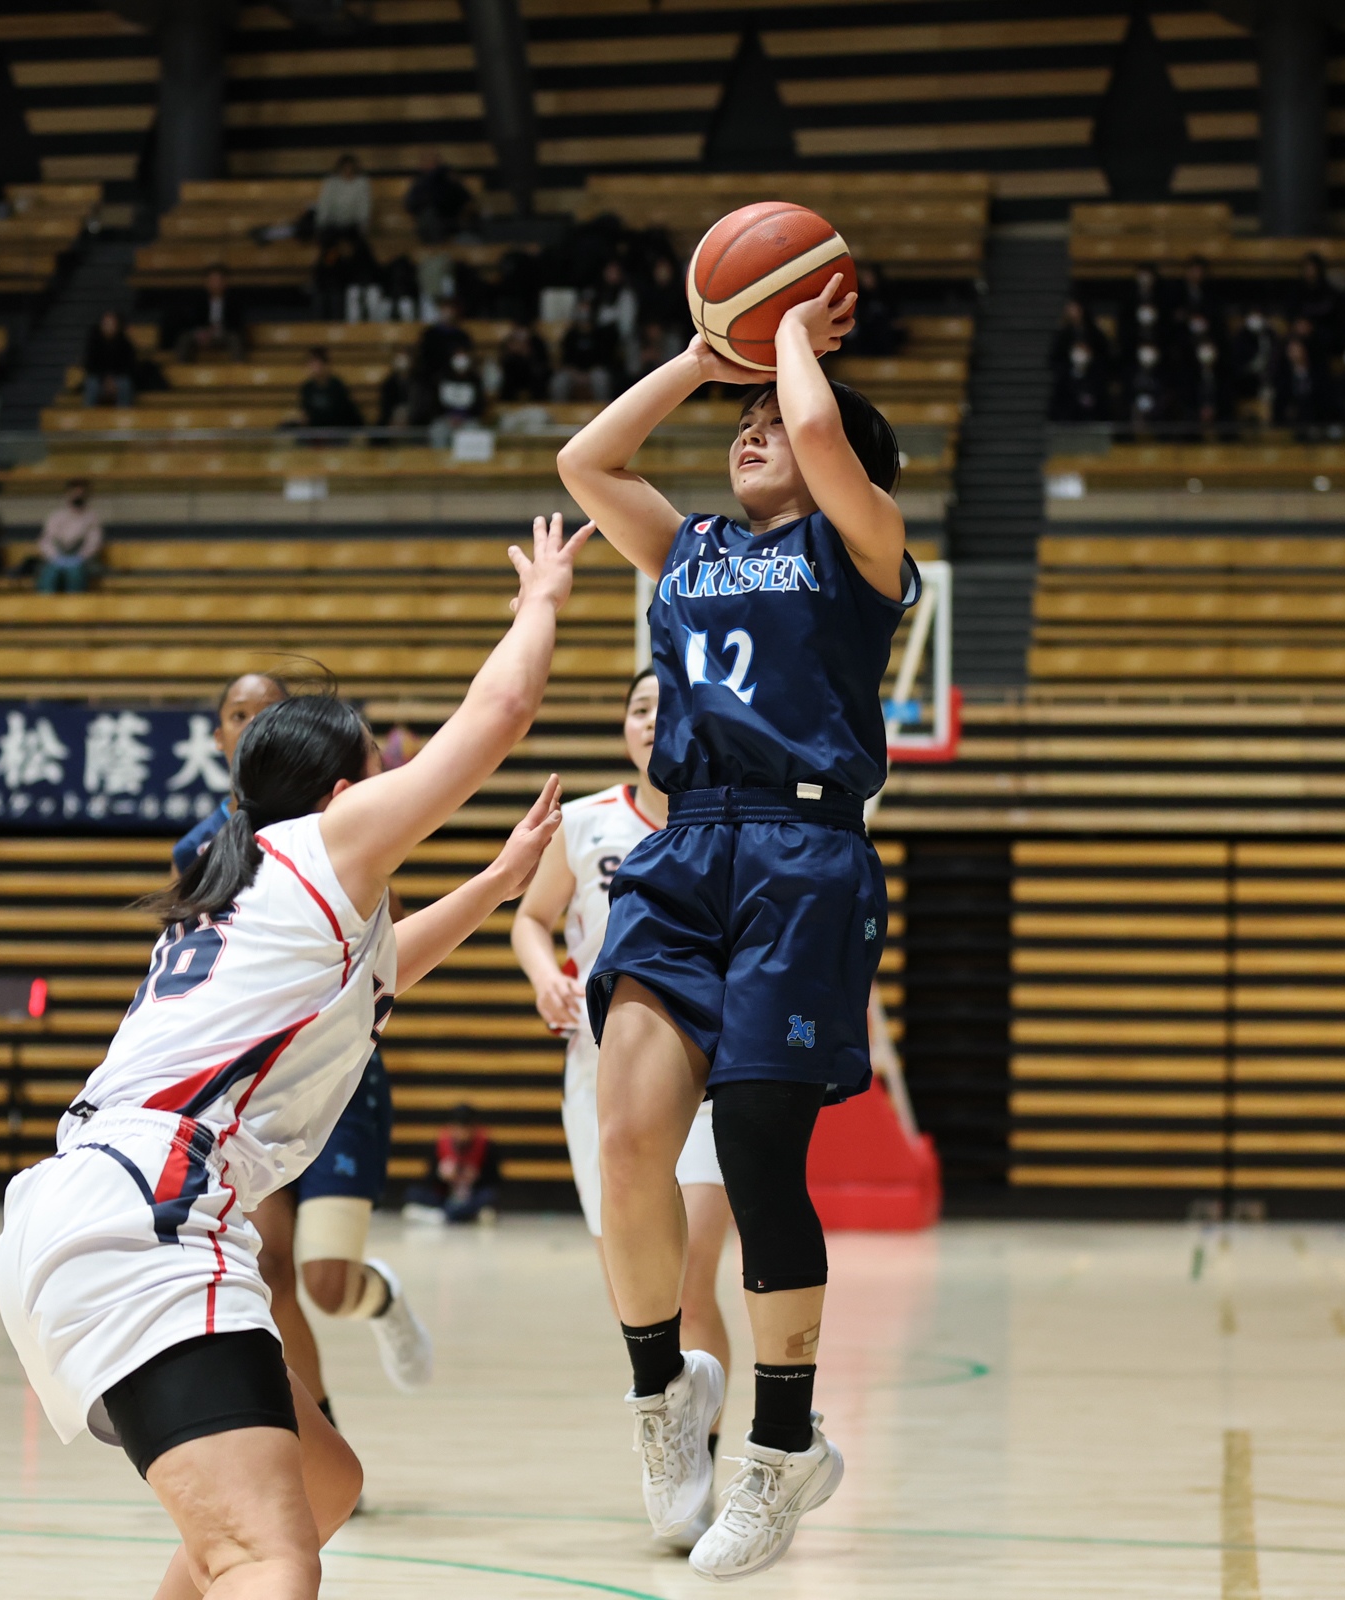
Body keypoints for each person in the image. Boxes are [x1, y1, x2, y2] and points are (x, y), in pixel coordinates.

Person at [0, 512, 589, 1600]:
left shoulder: (264, 888)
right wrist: (542, 602)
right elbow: (498, 713)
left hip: (109, 1203)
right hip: (149, 1218)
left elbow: (385, 972)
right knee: (266, 1556)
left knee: (322, 1487)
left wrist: (498, 884)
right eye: (378, 768)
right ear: (345, 795)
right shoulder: (321, 847)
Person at [557, 270, 907, 1579]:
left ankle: (780, 1449)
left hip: (802, 854)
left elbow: (818, 428)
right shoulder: (690, 548)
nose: (753, 430)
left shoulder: (862, 548)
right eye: (740, 423)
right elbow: (586, 462)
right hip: (688, 843)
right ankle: (664, 1392)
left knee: (758, 1148)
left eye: (769, 420)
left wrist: (793, 342)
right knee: (629, 1138)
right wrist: (706, 362)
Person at [168, 674, 438, 1428]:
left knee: (327, 1283)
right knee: (271, 1269)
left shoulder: (344, 826)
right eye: (238, 713)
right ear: (220, 736)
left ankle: (376, 1297)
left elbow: (388, 941)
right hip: (253, 1088)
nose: (251, 722)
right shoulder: (200, 848)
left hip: (339, 1077)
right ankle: (315, 1441)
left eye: (268, 711)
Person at [509, 669, 736, 1544]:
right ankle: (670, 1416)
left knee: (690, 1273)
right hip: (599, 1070)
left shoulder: (731, 820)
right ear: (625, 727)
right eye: (640, 708)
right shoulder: (585, 822)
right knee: (633, 1287)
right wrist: (547, 977)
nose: (652, 720)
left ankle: (693, 1466)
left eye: (667, 707)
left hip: (707, 1067)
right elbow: (531, 919)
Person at [403, 1105, 500, 1223]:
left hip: (471, 1196)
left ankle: (443, 1215)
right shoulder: (441, 1145)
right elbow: (428, 1180)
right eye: (458, 1128)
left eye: (465, 1128)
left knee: (489, 1196)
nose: (461, 1133)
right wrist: (441, 1175)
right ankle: (460, 1215)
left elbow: (495, 1182)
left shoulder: (486, 1147)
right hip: (445, 1197)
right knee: (413, 1193)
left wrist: (477, 1176)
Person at [36, 480, 105, 593]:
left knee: (75, 573)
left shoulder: (92, 517)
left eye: (81, 493)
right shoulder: (57, 516)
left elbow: (94, 542)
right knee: (50, 574)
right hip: (56, 558)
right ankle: (45, 601)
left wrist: (80, 557)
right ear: (68, 494)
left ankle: (74, 602)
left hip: (80, 560)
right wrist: (54, 557)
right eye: (74, 493)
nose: (78, 496)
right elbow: (46, 541)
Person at [554, 300, 621, 402]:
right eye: (581, 313)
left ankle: (603, 408)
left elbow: (605, 361)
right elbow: (565, 361)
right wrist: (576, 375)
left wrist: (587, 376)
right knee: (559, 381)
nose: (583, 317)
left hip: (594, 372)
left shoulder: (600, 334)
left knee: (600, 378)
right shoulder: (570, 335)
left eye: (586, 313)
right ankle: (559, 409)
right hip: (573, 373)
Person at [405, 151, 475, 242]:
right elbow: (410, 204)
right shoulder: (419, 183)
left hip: (450, 219)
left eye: (430, 162)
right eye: (425, 162)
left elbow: (465, 199)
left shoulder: (448, 179)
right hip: (429, 222)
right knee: (428, 216)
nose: (426, 165)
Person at [293, 348, 364, 435]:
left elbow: (343, 413)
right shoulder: (307, 388)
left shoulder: (337, 386)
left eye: (316, 363)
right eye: (311, 363)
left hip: (337, 431)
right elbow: (305, 413)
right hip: (315, 432)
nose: (313, 367)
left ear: (325, 364)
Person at [840, 264, 903, 357]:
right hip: (864, 333)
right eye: (865, 277)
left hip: (882, 332)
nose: (867, 280)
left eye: (869, 276)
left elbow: (894, 318)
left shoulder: (886, 294)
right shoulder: (858, 296)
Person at [314, 153, 373, 242]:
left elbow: (364, 205)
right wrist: (321, 223)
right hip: (333, 224)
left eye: (350, 168)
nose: (348, 171)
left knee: (357, 242)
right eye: (345, 168)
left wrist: (363, 224)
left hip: (353, 225)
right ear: (340, 168)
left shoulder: (362, 183)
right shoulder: (331, 182)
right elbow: (325, 203)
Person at [85, 312, 140, 408]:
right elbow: (90, 365)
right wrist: (104, 379)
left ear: (117, 326)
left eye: (111, 324)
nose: (109, 327)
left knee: (125, 384)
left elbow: (130, 366)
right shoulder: (94, 343)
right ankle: (87, 414)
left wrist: (113, 380)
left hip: (118, 380)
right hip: (100, 380)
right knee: (91, 383)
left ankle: (123, 415)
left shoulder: (125, 343)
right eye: (106, 324)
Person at [1048, 341, 1110, 423]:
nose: (1080, 355)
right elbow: (1057, 404)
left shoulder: (1097, 378)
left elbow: (1103, 405)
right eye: (1078, 350)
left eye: (1084, 351)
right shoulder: (1063, 379)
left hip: (1092, 423)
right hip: (1069, 423)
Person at [496, 321, 552, 404]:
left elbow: (543, 363)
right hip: (513, 376)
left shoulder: (537, 342)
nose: (521, 332)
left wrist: (527, 353)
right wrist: (512, 352)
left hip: (533, 375)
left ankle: (540, 404)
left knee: (539, 378)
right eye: (518, 328)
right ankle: (506, 404)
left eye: (523, 329)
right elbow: (503, 361)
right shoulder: (509, 342)